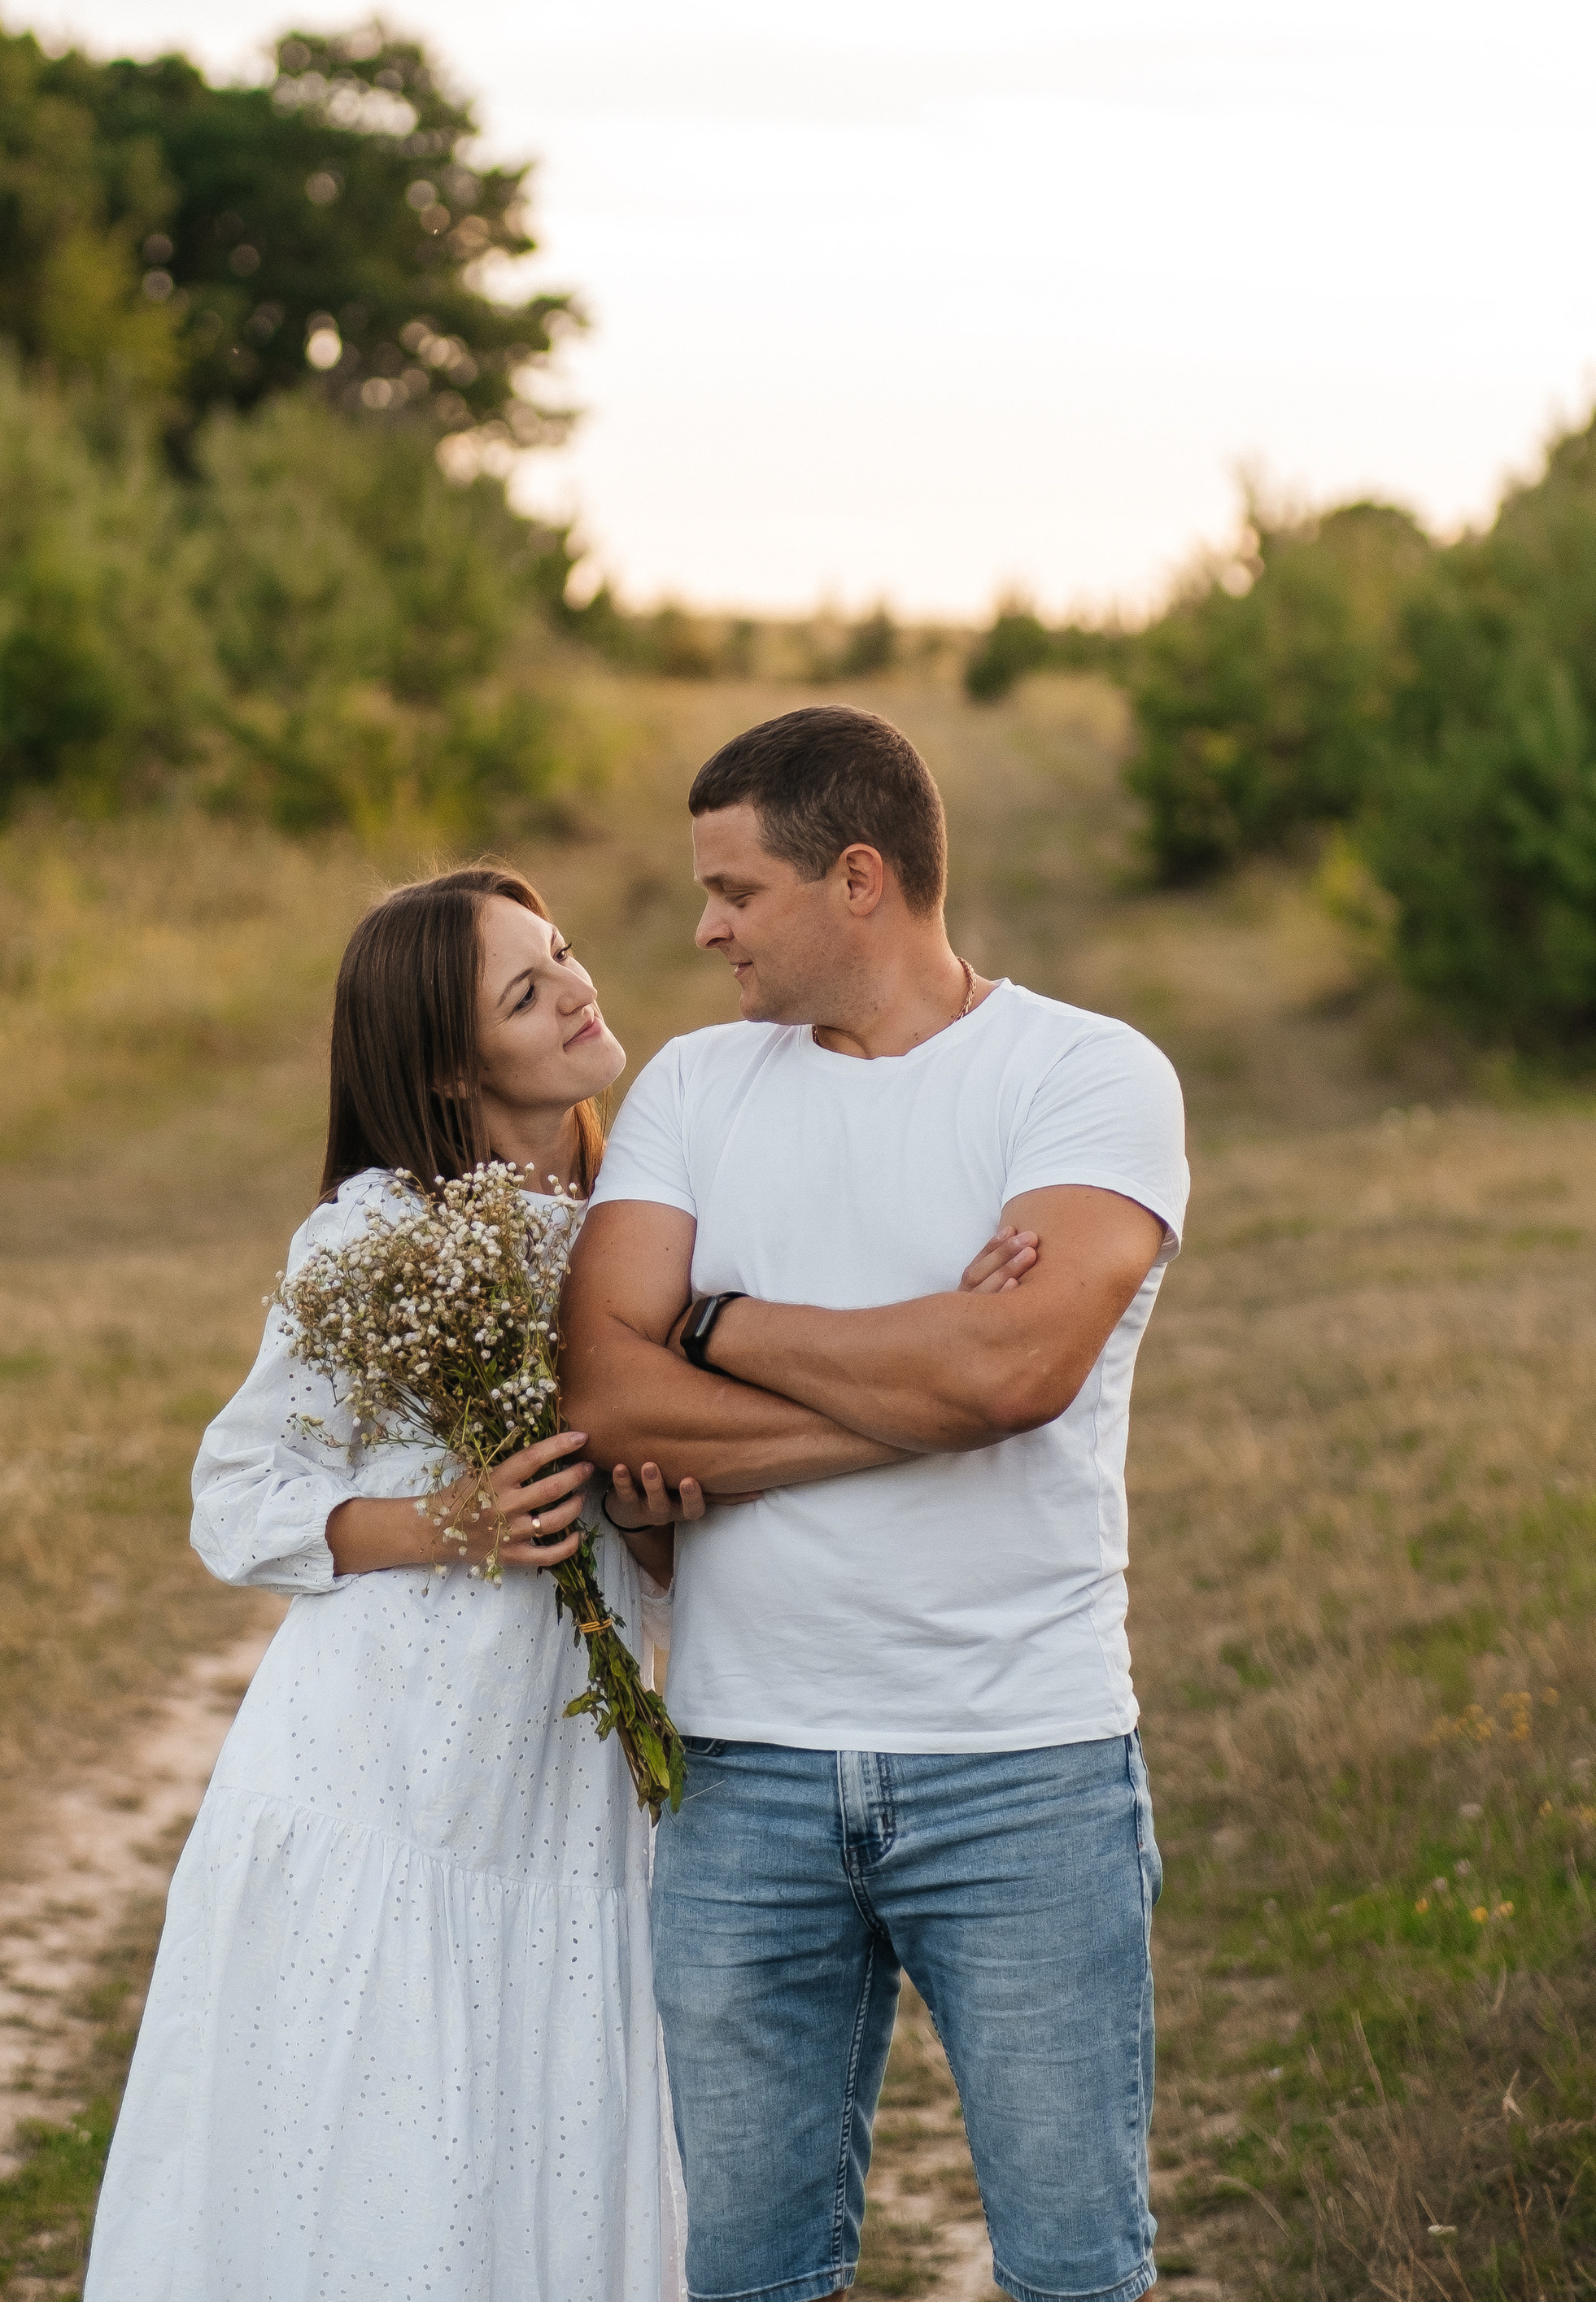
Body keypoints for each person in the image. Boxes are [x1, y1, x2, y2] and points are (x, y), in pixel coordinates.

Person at [563, 704, 1191, 2302]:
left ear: (856, 877)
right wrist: (922, 1390)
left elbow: (1007, 1372)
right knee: (750, 2278)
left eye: (731, 892)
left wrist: (716, 1323)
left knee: (1072, 2270)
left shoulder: (1083, 1073)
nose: (700, 930)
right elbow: (601, 1395)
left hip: (1021, 1770)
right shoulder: (696, 1087)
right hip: (742, 1776)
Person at [83, 865, 698, 2302]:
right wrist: (453, 1520)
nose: (576, 990)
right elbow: (234, 1501)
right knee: (382, 2144)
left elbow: (651, 1528)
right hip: (388, 1776)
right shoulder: (375, 1233)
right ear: (443, 1061)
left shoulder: (644, 1222)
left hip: (566, 1783)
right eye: (525, 991)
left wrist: (658, 1532)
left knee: (546, 2123)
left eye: (563, 956)